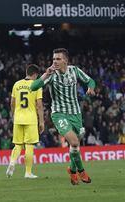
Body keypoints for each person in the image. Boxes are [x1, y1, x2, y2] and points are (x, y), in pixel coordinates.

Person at [30, 48, 95, 185]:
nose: (55, 61)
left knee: (74, 146)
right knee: (75, 142)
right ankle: (81, 171)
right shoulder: (52, 75)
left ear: (65, 60)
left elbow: (90, 81)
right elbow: (33, 87)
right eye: (53, 59)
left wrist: (91, 88)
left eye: (58, 59)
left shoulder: (74, 71)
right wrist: (45, 75)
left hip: (76, 114)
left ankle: (71, 170)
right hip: (59, 114)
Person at [6, 64, 44, 179]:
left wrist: (13, 115)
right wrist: (41, 121)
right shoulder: (36, 85)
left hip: (18, 118)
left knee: (18, 145)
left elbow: (12, 103)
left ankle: (12, 162)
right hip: (31, 119)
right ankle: (28, 173)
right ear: (35, 74)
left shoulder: (17, 84)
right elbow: (39, 105)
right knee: (29, 146)